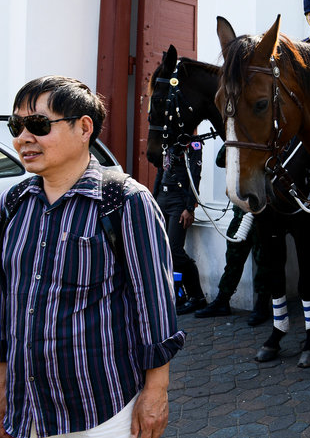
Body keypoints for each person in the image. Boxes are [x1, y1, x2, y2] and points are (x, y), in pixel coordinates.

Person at [0, 76, 184, 438]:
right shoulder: (14, 202)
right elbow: (6, 298)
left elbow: (154, 302)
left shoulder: (123, 200)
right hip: (29, 407)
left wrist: (156, 390)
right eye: (15, 125)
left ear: (84, 128)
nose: (22, 138)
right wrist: (4, 376)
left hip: (101, 409)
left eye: (37, 125)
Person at [152, 133, 206, 315]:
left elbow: (195, 174)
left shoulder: (193, 142)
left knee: (174, 250)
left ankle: (197, 296)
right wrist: (153, 199)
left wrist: (189, 207)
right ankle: (177, 294)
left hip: (178, 201)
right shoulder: (167, 137)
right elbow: (161, 168)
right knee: (161, 249)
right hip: (162, 197)